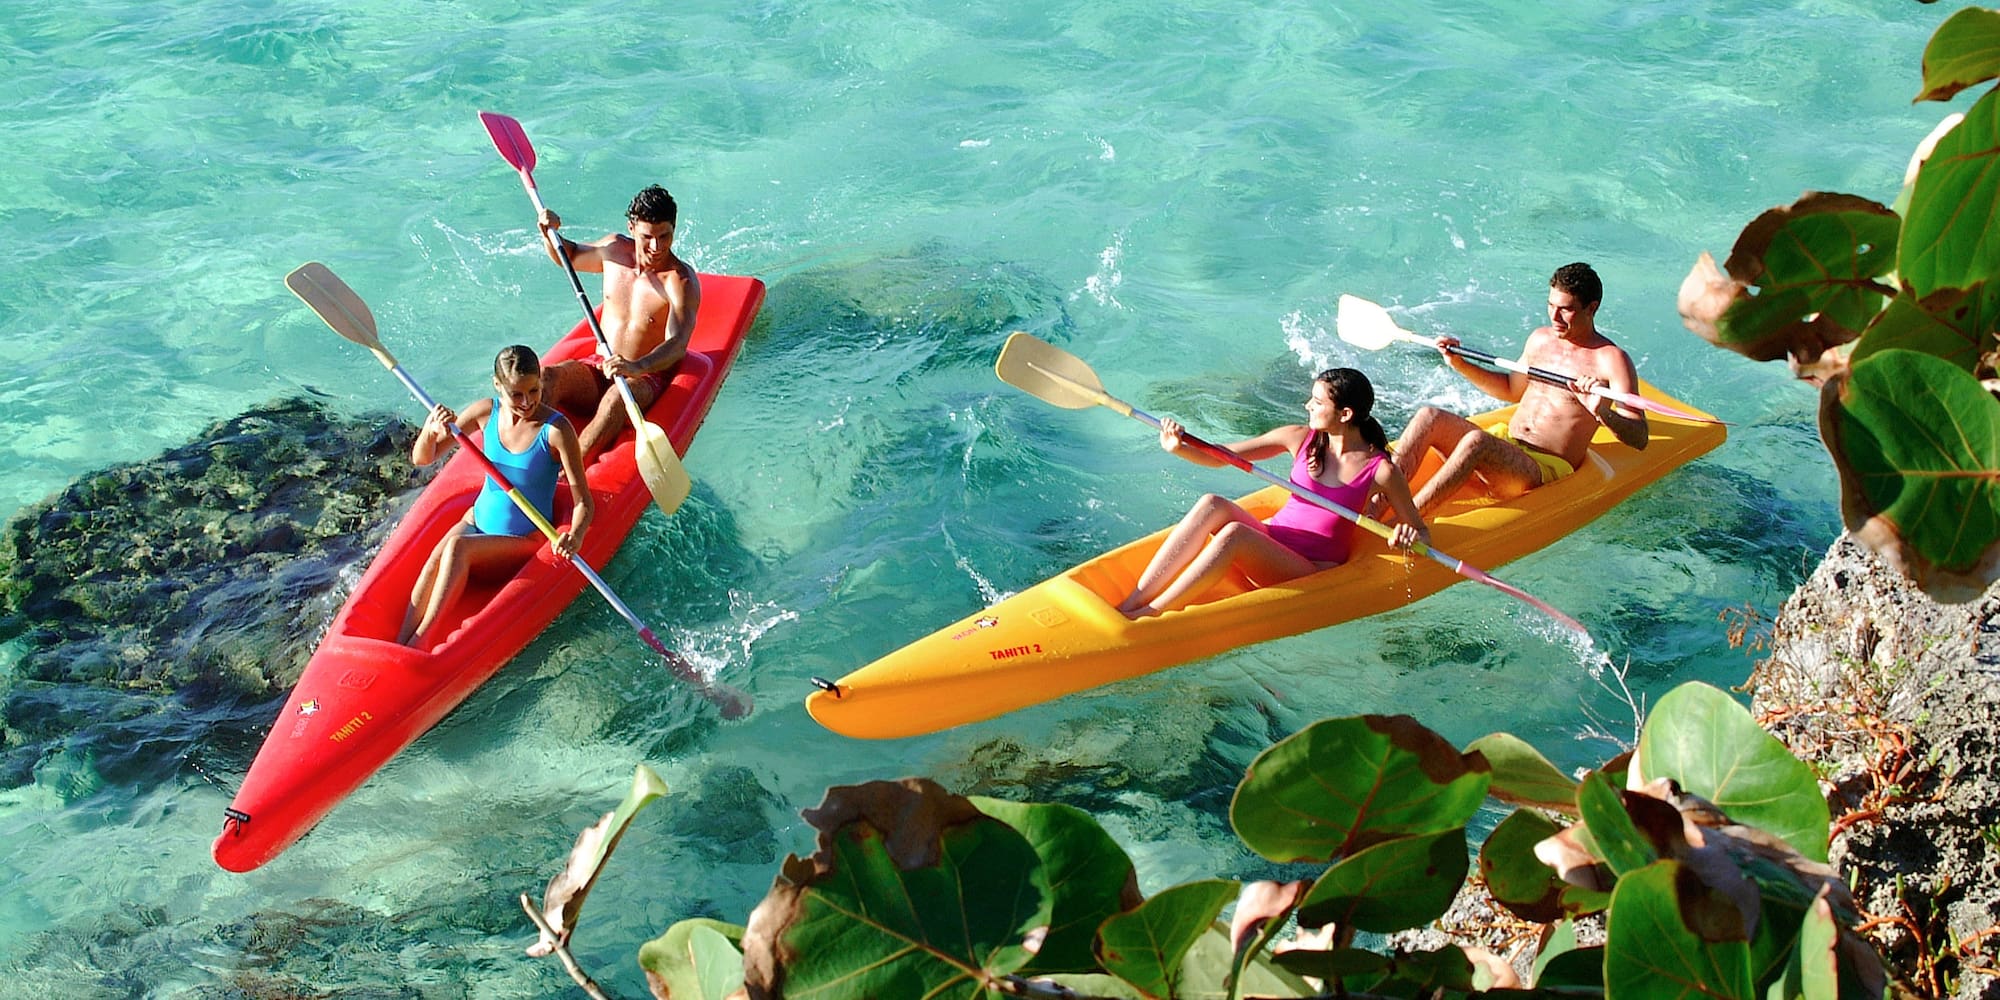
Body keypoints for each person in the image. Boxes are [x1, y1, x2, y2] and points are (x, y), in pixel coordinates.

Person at [1116, 368, 1428, 619]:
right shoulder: (1300, 438)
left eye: (1317, 402)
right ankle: (1134, 601)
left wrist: (1408, 537)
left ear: (1345, 414)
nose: (1307, 405)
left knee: (1235, 534)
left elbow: (1420, 532)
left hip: (1309, 567)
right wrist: (1179, 448)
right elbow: (1222, 455)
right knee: (1212, 503)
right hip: (1273, 539)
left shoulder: (1381, 470)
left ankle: (1153, 614)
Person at [1392, 262, 1648, 515]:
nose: (1554, 317)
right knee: (1429, 416)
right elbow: (1511, 390)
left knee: (1477, 441)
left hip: (1541, 468)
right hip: (1508, 444)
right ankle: (1376, 502)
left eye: (1565, 309)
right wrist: (1460, 364)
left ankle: (1409, 518)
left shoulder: (1611, 360)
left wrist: (1601, 412)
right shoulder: (1540, 339)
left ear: (1592, 308)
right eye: (1551, 305)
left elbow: (1639, 437)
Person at [400, 346, 594, 647]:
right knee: (438, 555)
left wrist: (576, 535)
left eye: (534, 390)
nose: (527, 402)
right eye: (516, 394)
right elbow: (422, 458)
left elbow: (583, 501)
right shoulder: (484, 412)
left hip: (521, 540)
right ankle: (400, 642)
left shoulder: (556, 430)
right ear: (497, 386)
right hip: (476, 521)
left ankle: (419, 645)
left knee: (457, 547)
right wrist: (430, 431)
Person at [535, 184, 702, 456]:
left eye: (665, 236)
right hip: (600, 366)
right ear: (631, 228)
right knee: (548, 377)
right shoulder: (613, 250)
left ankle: (568, 472)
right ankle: (530, 457)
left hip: (645, 377)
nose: (656, 246)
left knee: (615, 399)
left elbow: (677, 344)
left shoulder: (679, 281)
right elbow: (570, 256)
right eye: (647, 237)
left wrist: (636, 366)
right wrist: (548, 234)